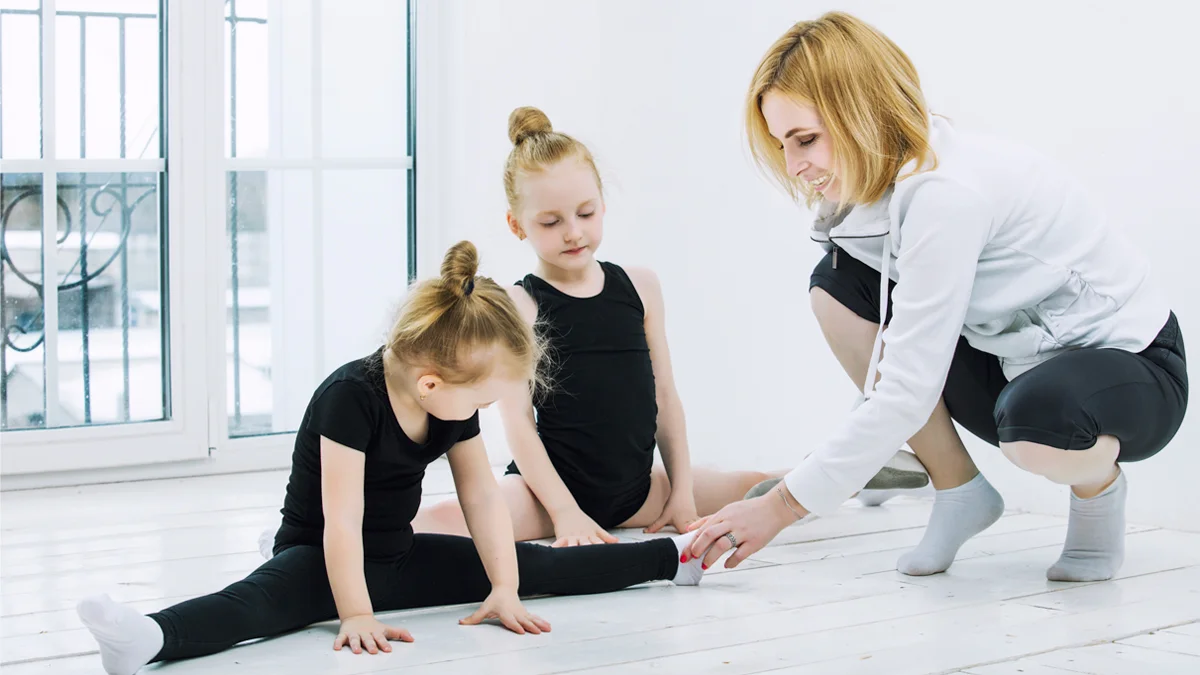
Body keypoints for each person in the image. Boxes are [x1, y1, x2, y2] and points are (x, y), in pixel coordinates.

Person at [687, 12, 1187, 582]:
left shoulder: (947, 194)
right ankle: (959, 490)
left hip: (1136, 369)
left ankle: (1098, 495)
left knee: (1035, 428)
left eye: (805, 139)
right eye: (783, 145)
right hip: (1013, 363)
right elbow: (897, 353)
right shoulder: (872, 201)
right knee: (835, 288)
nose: (795, 166)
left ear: (863, 111)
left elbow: (905, 387)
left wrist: (781, 506)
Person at [77, 242, 709, 675]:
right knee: (259, 604)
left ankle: (671, 559)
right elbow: (341, 524)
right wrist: (355, 612)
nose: (487, 410)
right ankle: (149, 636)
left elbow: (483, 497)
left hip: (399, 556)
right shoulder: (350, 399)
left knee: (538, 565)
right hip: (320, 559)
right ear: (433, 383)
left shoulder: (449, 407)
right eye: (485, 398)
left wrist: (504, 588)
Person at [411, 106, 930, 549]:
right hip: (546, 498)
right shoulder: (519, 305)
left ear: (602, 204)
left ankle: (855, 474)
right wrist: (566, 513)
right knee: (443, 522)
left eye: (586, 213)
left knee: (756, 485)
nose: (574, 232)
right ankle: (345, 531)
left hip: (641, 492)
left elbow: (664, 395)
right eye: (551, 222)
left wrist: (680, 492)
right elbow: (519, 428)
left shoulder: (639, 287)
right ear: (517, 225)